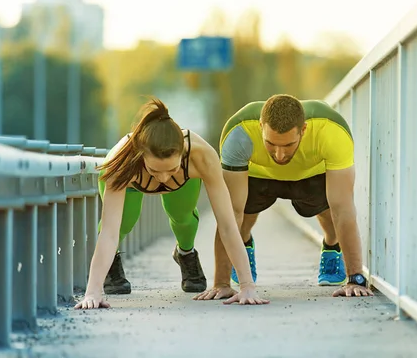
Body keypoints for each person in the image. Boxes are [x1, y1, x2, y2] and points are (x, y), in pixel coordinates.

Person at [75, 98, 269, 309]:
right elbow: (109, 233)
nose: (163, 178)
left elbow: (228, 225)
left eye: (171, 169)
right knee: (124, 222)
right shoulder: (122, 161)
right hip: (131, 179)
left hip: (184, 182)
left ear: (183, 153)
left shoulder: (202, 157)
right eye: (155, 170)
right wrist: (92, 292)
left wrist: (247, 286)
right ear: (141, 155)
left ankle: (185, 253)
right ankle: (111, 266)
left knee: (183, 218)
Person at [194, 94, 374, 302]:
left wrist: (355, 279)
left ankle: (332, 247)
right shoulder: (239, 132)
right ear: (261, 126)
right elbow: (230, 213)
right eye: (270, 144)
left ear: (303, 129)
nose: (279, 155)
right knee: (242, 215)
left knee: (330, 215)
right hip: (258, 174)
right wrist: (221, 283)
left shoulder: (332, 130)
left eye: (288, 145)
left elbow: (343, 208)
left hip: (309, 174)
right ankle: (244, 248)